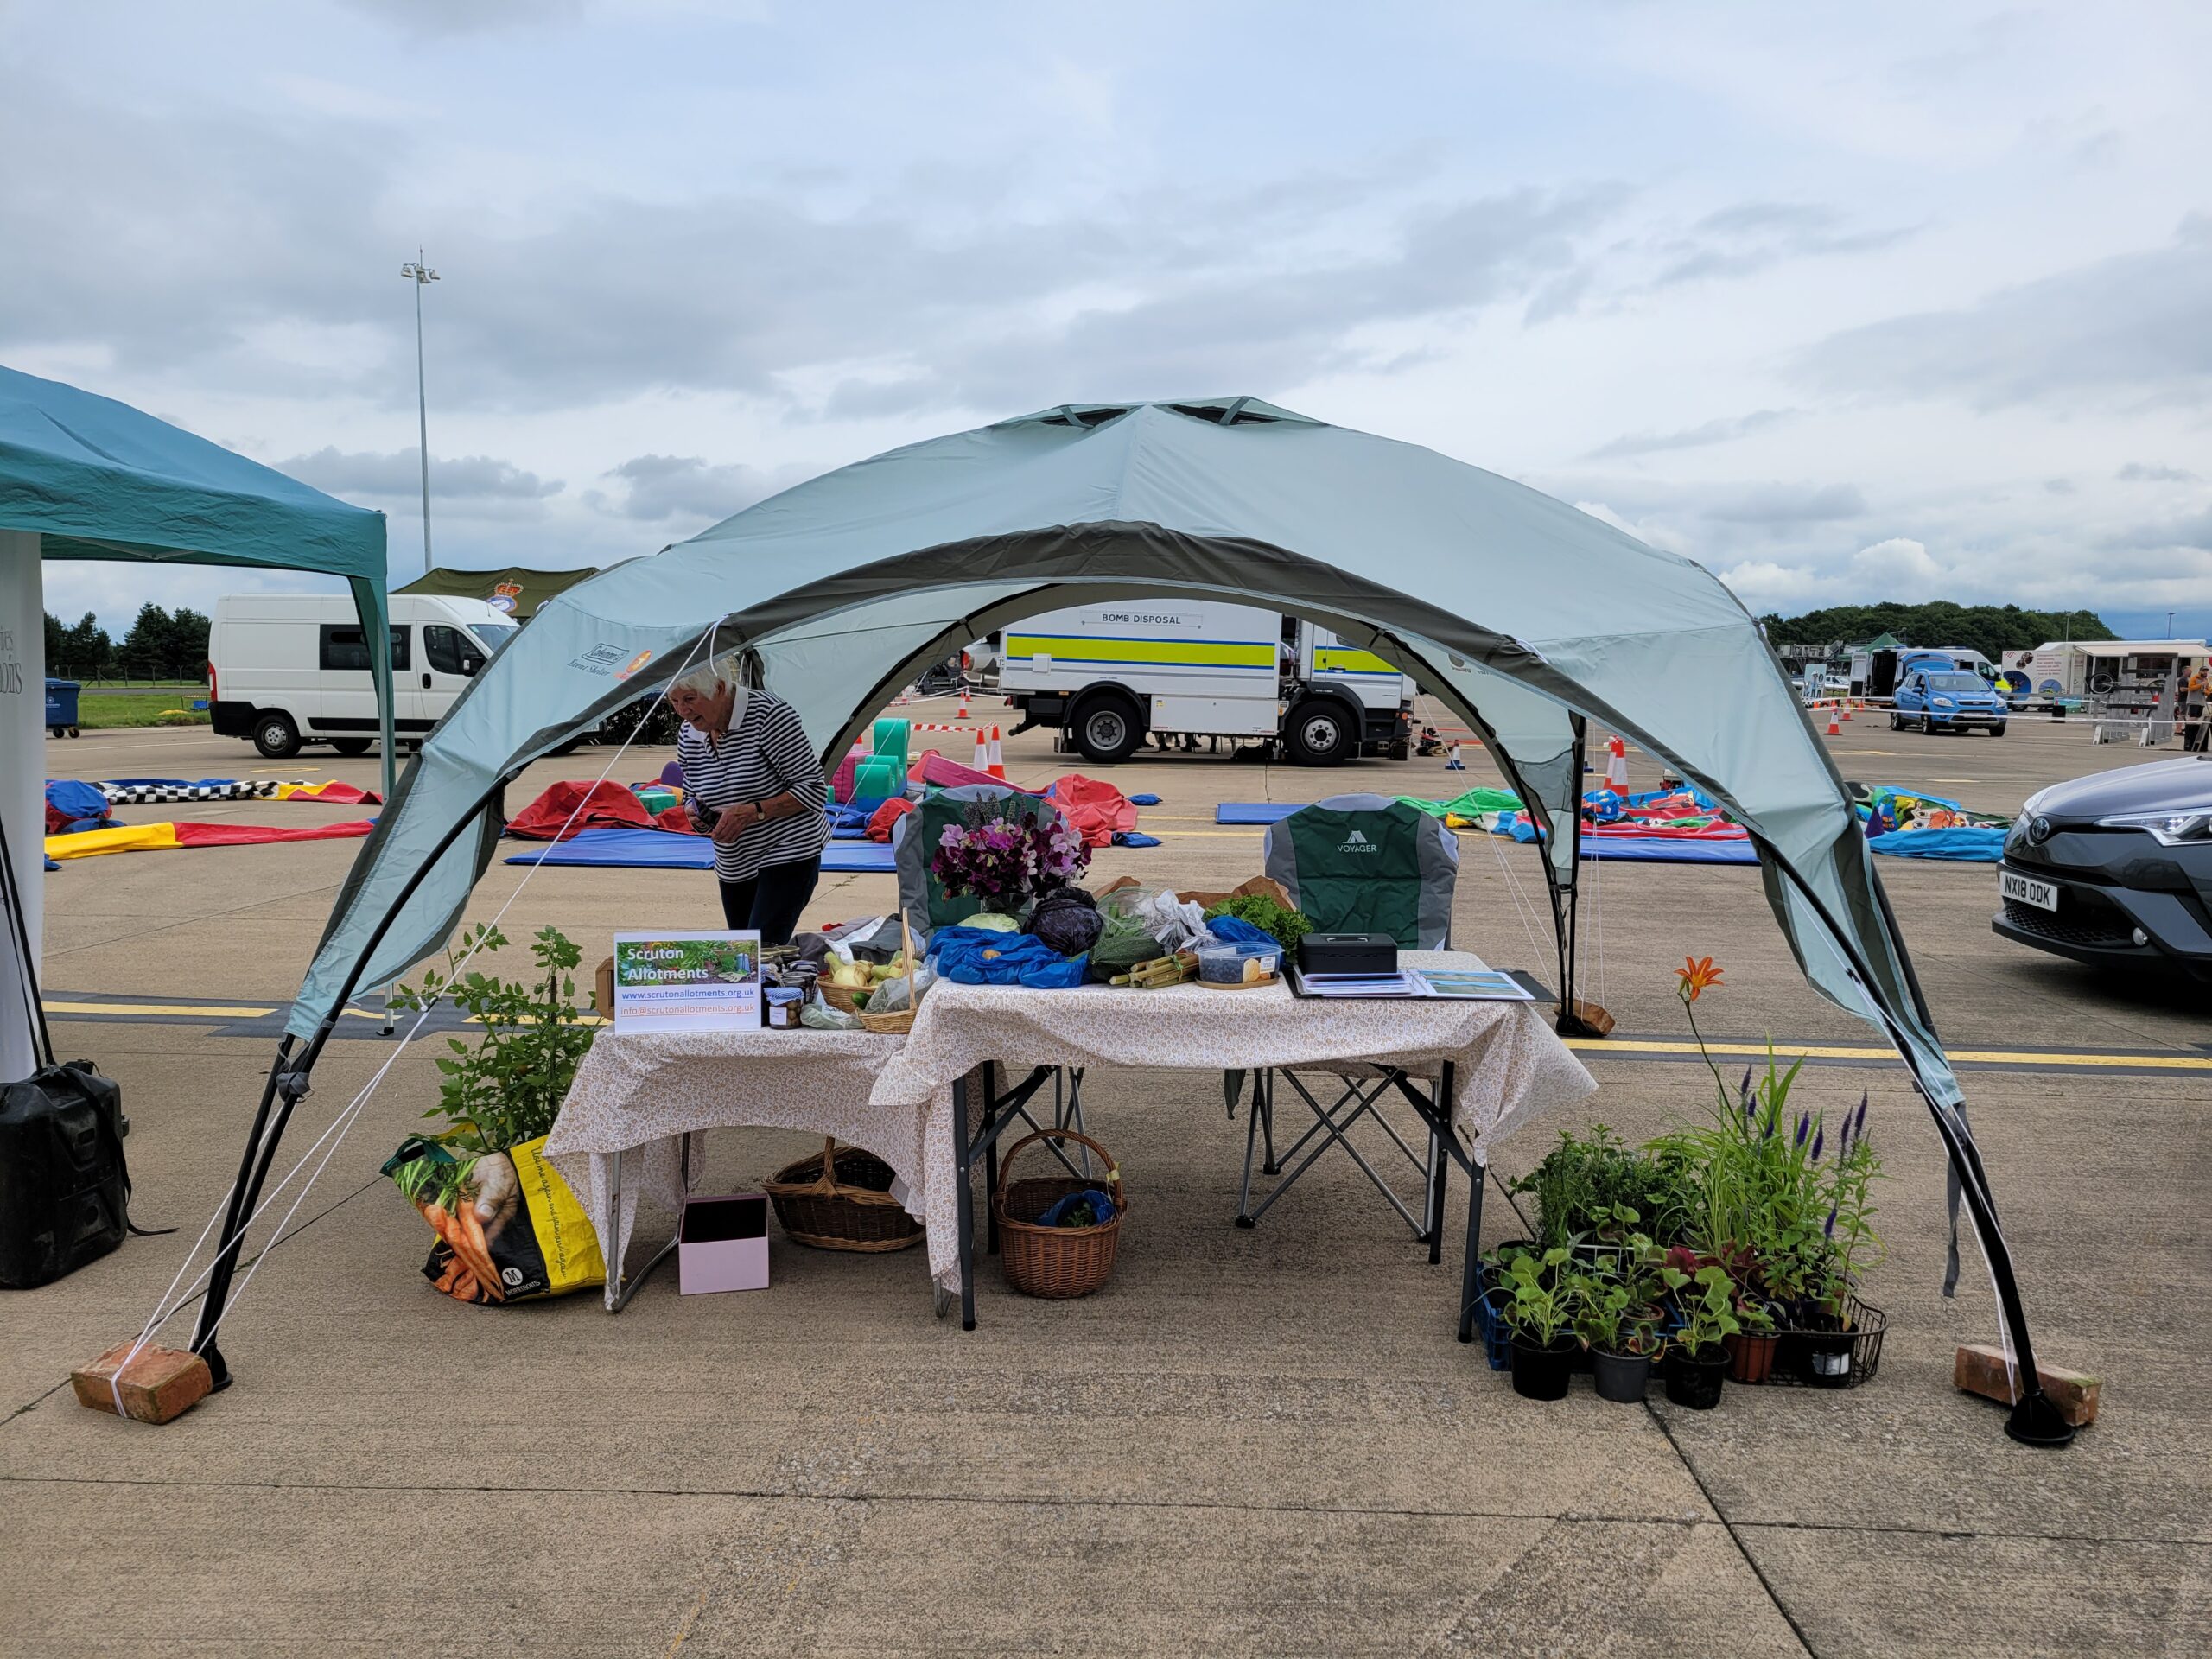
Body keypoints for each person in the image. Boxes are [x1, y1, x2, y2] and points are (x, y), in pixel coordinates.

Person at [665, 654, 829, 944]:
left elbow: (814, 788)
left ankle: (778, 990)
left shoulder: (769, 716)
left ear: (718, 687)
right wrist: (696, 814)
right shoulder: (688, 733)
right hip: (734, 859)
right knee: (743, 955)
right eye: (674, 702)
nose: (682, 711)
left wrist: (754, 812)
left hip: (787, 849)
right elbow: (691, 792)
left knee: (761, 950)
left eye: (689, 699)